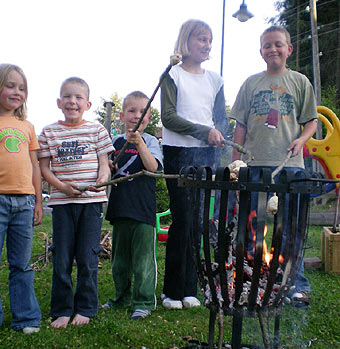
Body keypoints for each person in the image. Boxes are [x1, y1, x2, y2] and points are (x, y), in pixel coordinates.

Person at [231, 25, 318, 308]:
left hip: (290, 167)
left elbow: (311, 122)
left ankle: (296, 285)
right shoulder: (250, 83)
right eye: (267, 45)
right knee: (251, 226)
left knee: (291, 228)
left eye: (278, 44)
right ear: (261, 52)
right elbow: (240, 126)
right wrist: (236, 162)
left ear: (289, 49)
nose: (273, 49)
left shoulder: (300, 82)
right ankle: (249, 279)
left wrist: (301, 140)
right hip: (254, 166)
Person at [160, 19, 227, 309]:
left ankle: (190, 289)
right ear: (186, 42)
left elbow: (219, 118)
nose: (207, 45)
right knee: (183, 219)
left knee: (199, 222)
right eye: (201, 39)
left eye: (209, 40)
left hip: (205, 155)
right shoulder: (172, 74)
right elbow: (168, 118)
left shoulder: (215, 79)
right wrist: (204, 131)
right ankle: (171, 291)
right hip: (178, 151)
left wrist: (218, 134)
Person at [38, 77, 114, 328]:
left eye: (78, 97)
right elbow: (45, 169)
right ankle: (62, 308)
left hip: (91, 202)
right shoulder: (49, 132)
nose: (72, 101)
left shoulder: (97, 131)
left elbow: (104, 166)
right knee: (61, 257)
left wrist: (102, 180)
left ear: (88, 103)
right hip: (62, 203)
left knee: (87, 256)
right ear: (59, 102)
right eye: (67, 97)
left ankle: (85, 307)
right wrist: (62, 188)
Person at [103, 91, 163, 320]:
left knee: (143, 261)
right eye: (132, 111)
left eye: (142, 112)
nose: (137, 116)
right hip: (120, 209)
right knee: (120, 261)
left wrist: (139, 144)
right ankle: (121, 297)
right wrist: (108, 165)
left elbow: (153, 167)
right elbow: (108, 170)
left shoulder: (151, 142)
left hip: (143, 211)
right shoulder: (115, 142)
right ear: (121, 115)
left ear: (149, 117)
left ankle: (144, 301)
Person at [0, 63, 42, 334]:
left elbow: (34, 165)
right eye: (10, 85)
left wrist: (38, 201)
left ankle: (26, 318)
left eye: (22, 88)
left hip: (24, 202)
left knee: (22, 265)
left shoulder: (26, 126)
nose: (17, 92)